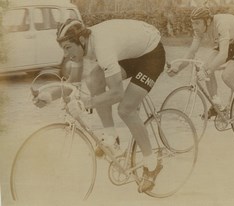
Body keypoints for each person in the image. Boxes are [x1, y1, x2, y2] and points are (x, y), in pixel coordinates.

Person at [32, 18, 166, 193]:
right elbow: (74, 83)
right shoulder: (81, 46)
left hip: (151, 55)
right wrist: (49, 95)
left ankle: (151, 163)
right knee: (94, 79)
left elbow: (117, 93)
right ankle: (111, 137)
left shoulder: (103, 48)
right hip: (132, 53)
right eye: (63, 49)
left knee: (126, 109)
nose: (65, 55)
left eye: (67, 48)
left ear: (80, 41)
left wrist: (86, 103)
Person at [167, 6, 234, 125]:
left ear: (208, 21)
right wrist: (178, 68)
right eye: (193, 23)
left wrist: (206, 71)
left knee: (227, 76)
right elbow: (191, 52)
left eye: (197, 23)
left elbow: (223, 55)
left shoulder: (221, 24)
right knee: (206, 66)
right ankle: (217, 106)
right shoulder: (199, 30)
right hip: (231, 41)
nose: (194, 26)